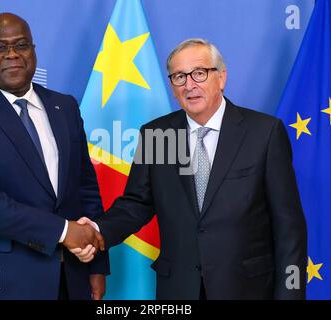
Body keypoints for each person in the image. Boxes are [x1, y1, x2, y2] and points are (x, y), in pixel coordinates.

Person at [71, 38, 307, 299]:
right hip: (180, 289)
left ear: (221, 77)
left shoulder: (264, 133)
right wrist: (97, 230)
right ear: (172, 86)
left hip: (247, 288)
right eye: (179, 77)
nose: (189, 85)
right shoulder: (158, 135)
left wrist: (291, 293)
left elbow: (289, 228)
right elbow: (137, 204)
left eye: (199, 73)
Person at [0, 13, 107, 300]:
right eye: (0, 47)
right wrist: (64, 231)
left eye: (21, 45)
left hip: (69, 278)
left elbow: (85, 188)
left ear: (33, 50)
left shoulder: (63, 107)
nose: (12, 54)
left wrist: (97, 266)